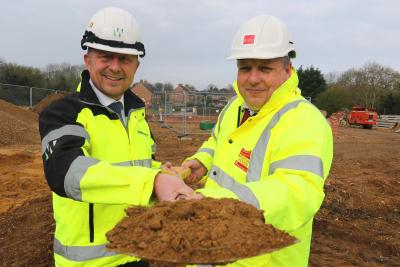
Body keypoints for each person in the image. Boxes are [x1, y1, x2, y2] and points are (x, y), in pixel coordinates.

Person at [39, 7, 194, 267]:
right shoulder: (64, 113)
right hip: (89, 263)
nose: (115, 67)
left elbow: (138, 166)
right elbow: (65, 172)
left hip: (138, 252)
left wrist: (162, 172)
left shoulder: (136, 115)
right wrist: (152, 181)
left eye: (124, 59)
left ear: (136, 65)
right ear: (87, 60)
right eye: (105, 56)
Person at [183, 15, 333, 266]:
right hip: (210, 244)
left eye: (264, 68)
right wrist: (201, 161)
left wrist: (218, 205)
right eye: (245, 68)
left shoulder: (304, 120)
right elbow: (216, 142)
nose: (252, 78)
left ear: (288, 70)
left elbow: (296, 192)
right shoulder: (234, 107)